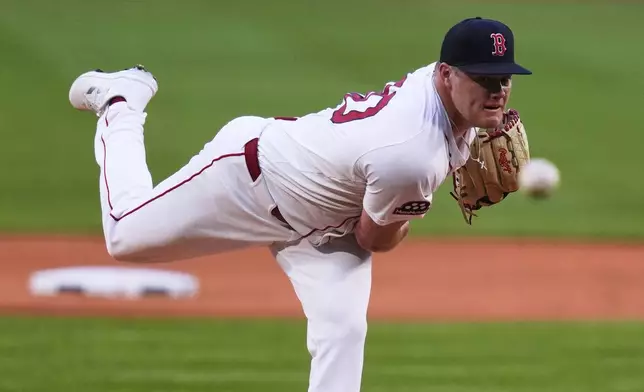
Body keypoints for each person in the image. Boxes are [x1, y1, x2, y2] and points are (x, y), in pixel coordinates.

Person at [68, 16, 531, 392]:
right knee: (125, 236)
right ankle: (122, 101)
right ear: (446, 74)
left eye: (504, 78)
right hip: (251, 180)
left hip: (326, 228)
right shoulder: (412, 155)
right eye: (484, 78)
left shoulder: (438, 89)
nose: (497, 91)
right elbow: (375, 238)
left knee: (344, 332)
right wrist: (415, 208)